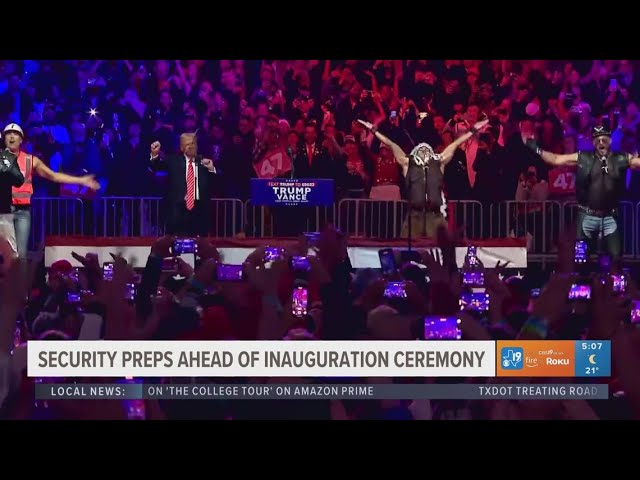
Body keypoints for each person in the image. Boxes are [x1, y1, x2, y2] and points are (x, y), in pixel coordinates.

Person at [523, 125, 640, 263]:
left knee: (614, 256)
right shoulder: (583, 157)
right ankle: (579, 281)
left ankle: (612, 281)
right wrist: (535, 147)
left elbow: (636, 163)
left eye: (604, 139)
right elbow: (555, 159)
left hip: (610, 215)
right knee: (580, 256)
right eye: (598, 140)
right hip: (587, 215)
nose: (601, 143)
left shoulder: (620, 158)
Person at [357, 118, 489, 238]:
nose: (424, 152)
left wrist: (473, 130)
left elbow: (455, 145)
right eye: (421, 150)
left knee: (438, 247)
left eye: (427, 150)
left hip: (434, 215)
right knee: (407, 248)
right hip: (415, 215)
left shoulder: (439, 163)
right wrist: (374, 131)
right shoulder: (408, 165)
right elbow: (391, 144)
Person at [4, 123, 101, 258]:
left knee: (19, 253)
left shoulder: (31, 160)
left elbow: (54, 176)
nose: (12, 138)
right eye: (9, 135)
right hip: (4, 211)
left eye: (15, 135)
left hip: (21, 211)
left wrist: (81, 180)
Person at [149, 132, 217, 237]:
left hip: (199, 211)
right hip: (177, 211)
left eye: (193, 144)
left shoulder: (204, 162)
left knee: (200, 246)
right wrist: (154, 155)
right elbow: (156, 167)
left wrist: (212, 170)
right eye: (187, 144)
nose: (191, 147)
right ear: (181, 147)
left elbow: (215, 184)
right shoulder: (172, 161)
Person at [0, 148, 24, 257]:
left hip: (3, 211)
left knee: (11, 250)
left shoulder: (7, 158)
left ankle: (15, 272)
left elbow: (19, 180)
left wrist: (8, 166)